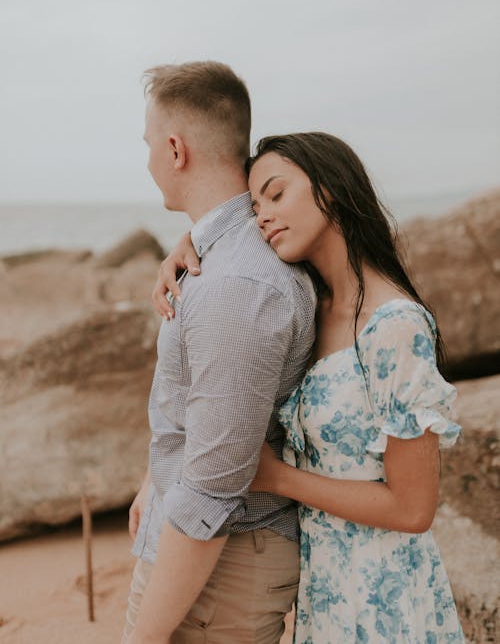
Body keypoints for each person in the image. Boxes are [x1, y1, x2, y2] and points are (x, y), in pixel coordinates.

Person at [154, 132, 465, 643]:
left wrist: (277, 479)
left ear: (332, 190)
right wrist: (186, 250)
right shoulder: (308, 306)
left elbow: (414, 509)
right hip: (323, 593)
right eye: (254, 206)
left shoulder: (395, 326)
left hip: (385, 600)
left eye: (276, 195)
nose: (263, 217)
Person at [123, 63, 317, 644]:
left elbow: (213, 494)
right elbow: (214, 415)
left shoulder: (237, 285)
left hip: (219, 570)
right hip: (206, 557)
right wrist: (154, 479)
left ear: (175, 150)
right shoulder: (225, 253)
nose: (150, 159)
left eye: (149, 144)